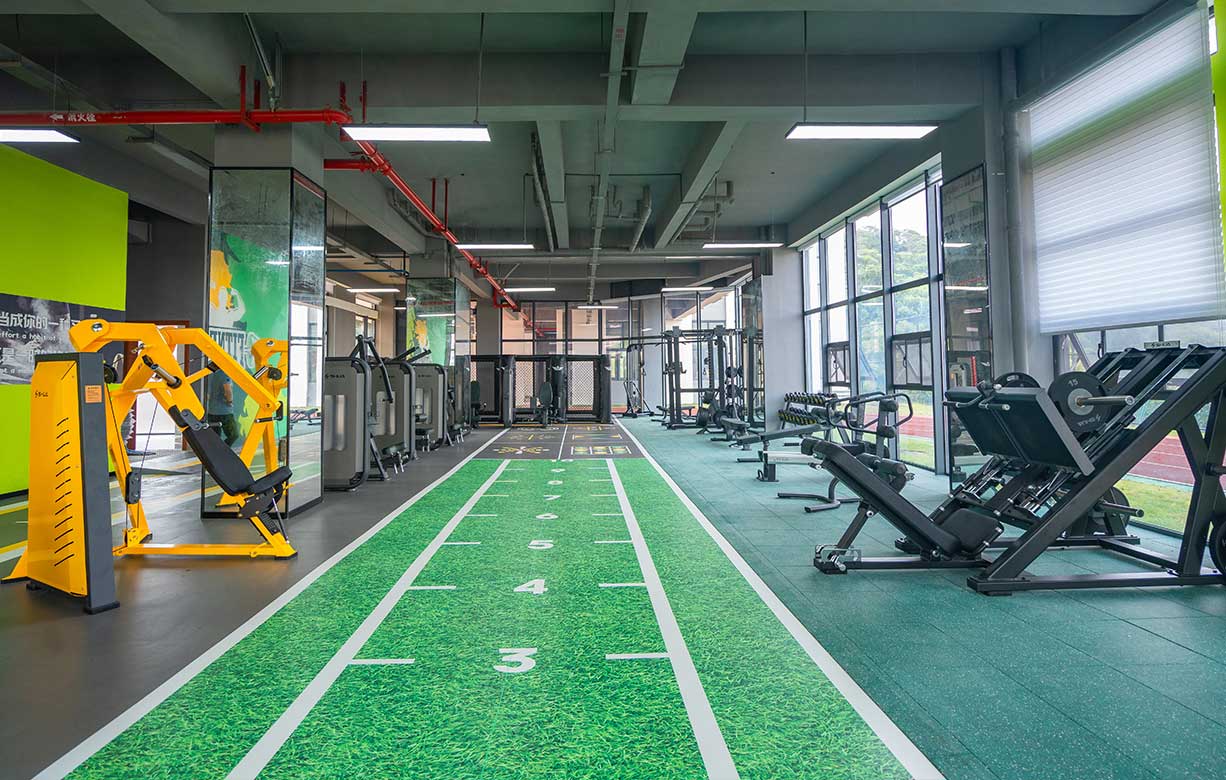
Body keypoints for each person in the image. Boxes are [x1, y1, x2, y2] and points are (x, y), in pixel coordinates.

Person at [207, 375, 241, 446]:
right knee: (234, 435)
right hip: (224, 412)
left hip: (212, 412)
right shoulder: (225, 375)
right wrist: (229, 401)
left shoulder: (214, 375)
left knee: (215, 438)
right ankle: (223, 449)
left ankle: (217, 451)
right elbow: (228, 389)